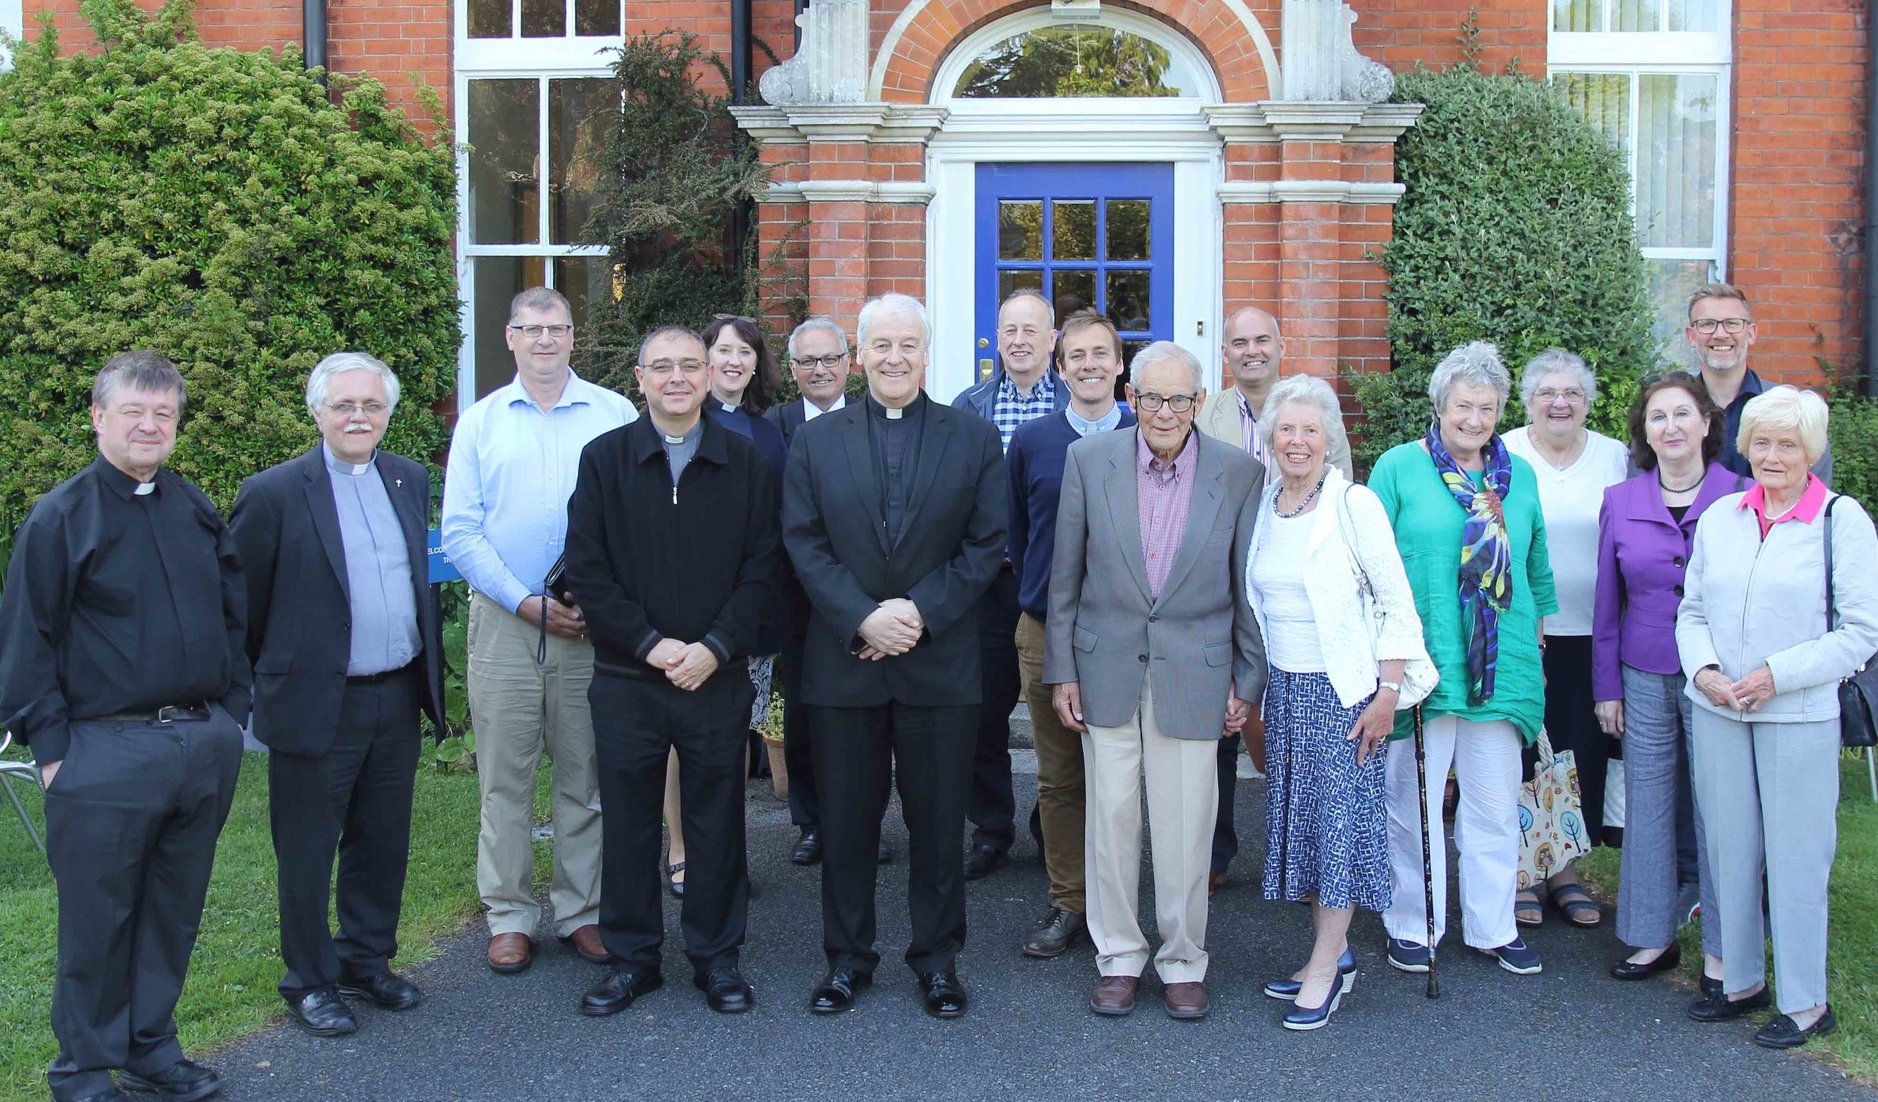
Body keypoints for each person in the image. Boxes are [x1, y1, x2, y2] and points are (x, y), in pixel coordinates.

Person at [0, 352, 249, 1102]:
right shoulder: (61, 517)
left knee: (173, 910)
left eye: (164, 413)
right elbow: (25, 640)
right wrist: (53, 756)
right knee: (98, 923)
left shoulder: (194, 507)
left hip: (199, 745)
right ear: (99, 417)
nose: (150, 425)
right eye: (134, 411)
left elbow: (235, 616)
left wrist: (229, 718)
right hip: (101, 750)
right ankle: (82, 1069)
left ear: (176, 423)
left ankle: (151, 1049)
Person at [782, 293, 1007, 1018]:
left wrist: (920, 613)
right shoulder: (815, 442)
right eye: (880, 345)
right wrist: (862, 618)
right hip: (846, 661)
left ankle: (938, 961)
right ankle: (847, 959)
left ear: (925, 352)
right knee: (847, 825)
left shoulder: (973, 439)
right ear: (859, 354)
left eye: (907, 344)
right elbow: (803, 542)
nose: (893, 357)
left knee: (938, 826)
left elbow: (986, 544)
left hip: (938, 663)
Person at [1043, 341, 1265, 1021]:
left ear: (1199, 403)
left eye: (1178, 399)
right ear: (1129, 398)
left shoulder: (1238, 473)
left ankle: (1182, 959)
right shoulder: (1088, 461)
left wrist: (1247, 681)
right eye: (1151, 397)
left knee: (1186, 826)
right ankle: (1117, 957)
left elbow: (1245, 585)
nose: (1164, 411)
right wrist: (1061, 671)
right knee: (1109, 821)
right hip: (1104, 664)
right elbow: (1066, 576)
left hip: (1196, 672)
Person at [563, 326, 780, 1017]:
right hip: (630, 677)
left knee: (717, 821)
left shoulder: (744, 463)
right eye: (664, 367)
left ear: (711, 373)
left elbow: (763, 569)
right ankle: (632, 962)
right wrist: (652, 646)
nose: (679, 378)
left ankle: (717, 959)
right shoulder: (604, 460)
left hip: (715, 676)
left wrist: (714, 647)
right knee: (628, 823)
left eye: (692, 365)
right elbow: (588, 571)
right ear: (640, 377)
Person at [229, 352, 444, 1038]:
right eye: (344, 405)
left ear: (388, 413)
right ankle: (309, 979)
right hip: (316, 702)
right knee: (307, 847)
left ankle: (366, 959)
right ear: (318, 410)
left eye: (372, 405)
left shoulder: (409, 478)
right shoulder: (271, 493)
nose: (358, 416)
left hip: (395, 693)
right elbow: (242, 607)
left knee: (381, 842)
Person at [440, 286, 638, 974]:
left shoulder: (614, 414)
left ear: (573, 337)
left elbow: (633, 518)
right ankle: (511, 915)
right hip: (505, 624)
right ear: (510, 337)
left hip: (590, 627)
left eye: (557, 328)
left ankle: (582, 911)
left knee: (585, 776)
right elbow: (460, 531)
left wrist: (600, 602)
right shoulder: (482, 423)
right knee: (505, 779)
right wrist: (525, 600)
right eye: (532, 328)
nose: (546, 339)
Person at [1676, 385, 1878, 1048]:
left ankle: (1805, 1002)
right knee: (1729, 850)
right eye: (1761, 442)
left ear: (1811, 451)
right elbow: (1693, 611)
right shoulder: (1722, 517)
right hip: (1719, 711)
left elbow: (1860, 632)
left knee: (1796, 859)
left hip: (1799, 714)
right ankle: (1739, 981)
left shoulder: (1841, 522)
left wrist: (1776, 676)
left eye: (1787, 444)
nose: (1772, 455)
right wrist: (1703, 670)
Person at [1244, 375, 1434, 1031]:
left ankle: (1325, 969)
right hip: (1284, 693)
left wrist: (1386, 693)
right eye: (1286, 430)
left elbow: (1397, 607)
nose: (1296, 441)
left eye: (1309, 430)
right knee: (1304, 830)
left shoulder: (1353, 505)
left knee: (1339, 835)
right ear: (1271, 438)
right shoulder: (1264, 505)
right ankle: (1336, 952)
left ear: (1330, 440)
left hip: (1343, 695)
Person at [1369, 341, 1556, 977]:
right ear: (1440, 405)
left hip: (1502, 665)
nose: (1474, 420)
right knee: (1412, 801)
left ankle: (1492, 926)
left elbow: (1536, 567)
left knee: (1494, 804)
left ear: (1501, 410)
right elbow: (1369, 564)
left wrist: (1537, 648)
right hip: (1422, 660)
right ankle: (1412, 925)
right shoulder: (1398, 468)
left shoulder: (1520, 475)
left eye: (1486, 407)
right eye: (1462, 407)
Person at [1194, 306, 1350, 894]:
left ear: (1281, 345)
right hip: (1225, 587)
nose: (1251, 350)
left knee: (1296, 733)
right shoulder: (1205, 413)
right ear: (1225, 352)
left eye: (1262, 340)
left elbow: (1340, 498)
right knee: (1222, 727)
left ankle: (1304, 856)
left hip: (1294, 591)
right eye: (1238, 342)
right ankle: (1215, 850)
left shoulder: (1312, 408)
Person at [1594, 372, 1734, 993]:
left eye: (1682, 414)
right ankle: (1653, 936)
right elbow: (1606, 601)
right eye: (1657, 417)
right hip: (1643, 669)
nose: (1671, 427)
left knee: (1720, 808)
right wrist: (1607, 686)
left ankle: (1727, 955)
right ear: (1644, 433)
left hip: (1719, 675)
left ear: (1707, 423)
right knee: (1647, 806)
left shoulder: (1742, 496)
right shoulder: (1621, 501)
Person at [1006, 309, 1137, 959]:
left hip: (1128, 636)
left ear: (1120, 364)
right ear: (1059, 370)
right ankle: (1069, 903)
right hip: (1046, 632)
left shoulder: (1154, 434)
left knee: (1128, 776)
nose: (1088, 365)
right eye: (1075, 356)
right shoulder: (1032, 443)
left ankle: (1123, 902)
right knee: (1059, 778)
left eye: (1100, 354)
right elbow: (1016, 533)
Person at [648, 314, 790, 901]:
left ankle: (725, 855)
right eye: (721, 351)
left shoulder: (769, 431)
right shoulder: (682, 424)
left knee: (730, 736)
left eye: (744, 351)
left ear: (757, 363)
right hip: (686, 616)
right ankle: (681, 848)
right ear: (705, 363)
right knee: (683, 740)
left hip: (748, 610)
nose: (733, 361)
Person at [1501, 348, 1630, 928]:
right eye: (1547, 393)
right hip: (1523, 630)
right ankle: (1520, 872)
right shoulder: (1504, 451)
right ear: (1528, 401)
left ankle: (1564, 872)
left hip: (1596, 632)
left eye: (1572, 393)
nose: (1560, 402)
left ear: (1588, 401)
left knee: (1579, 752)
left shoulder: (1614, 457)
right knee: (1525, 750)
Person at [951, 288, 1068, 879]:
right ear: (997, 339)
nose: (1019, 340)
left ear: (1053, 340)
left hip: (1053, 587)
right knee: (982, 712)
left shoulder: (1079, 404)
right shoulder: (968, 406)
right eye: (1009, 330)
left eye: (1031, 329)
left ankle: (1053, 829)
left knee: (1059, 713)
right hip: (986, 584)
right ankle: (990, 827)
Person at [1684, 283, 1830, 483]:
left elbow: (1815, 489)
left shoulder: (1793, 410)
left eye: (1732, 323)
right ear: (1691, 336)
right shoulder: (1668, 408)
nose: (1720, 334)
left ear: (1751, 333)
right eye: (1707, 324)